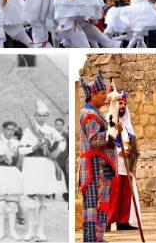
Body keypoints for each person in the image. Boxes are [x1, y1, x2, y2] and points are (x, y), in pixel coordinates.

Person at [19, 99, 66, 241]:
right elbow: (21, 150)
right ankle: (30, 231)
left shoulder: (51, 130)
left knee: (43, 200)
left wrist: (56, 151)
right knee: (31, 200)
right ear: (35, 116)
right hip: (31, 165)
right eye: (39, 115)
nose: (41, 118)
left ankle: (40, 231)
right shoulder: (28, 131)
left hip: (45, 165)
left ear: (47, 116)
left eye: (44, 115)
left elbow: (62, 142)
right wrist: (33, 147)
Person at [78, 72, 117, 242]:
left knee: (101, 206)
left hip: (100, 168)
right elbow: (95, 140)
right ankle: (92, 240)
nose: (105, 98)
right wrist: (112, 133)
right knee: (93, 207)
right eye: (102, 94)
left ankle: (98, 238)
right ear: (93, 94)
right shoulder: (89, 115)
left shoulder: (96, 113)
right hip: (94, 168)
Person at [107, 90, 140, 231]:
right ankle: (108, 221)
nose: (123, 106)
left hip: (126, 166)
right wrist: (120, 152)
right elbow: (109, 140)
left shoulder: (126, 126)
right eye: (120, 103)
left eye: (124, 104)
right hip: (115, 164)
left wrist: (131, 153)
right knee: (114, 194)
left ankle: (123, 221)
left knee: (126, 194)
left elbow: (130, 142)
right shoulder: (109, 121)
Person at [0, 120, 23, 240]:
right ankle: (1, 231)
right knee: (0, 203)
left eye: (13, 130)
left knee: (12, 202)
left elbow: (21, 158)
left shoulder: (17, 143)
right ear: (3, 129)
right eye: (8, 129)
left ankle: (12, 231)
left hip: (12, 172)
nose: (10, 132)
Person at [54, 117, 69, 202]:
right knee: (52, 174)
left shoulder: (66, 135)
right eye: (57, 125)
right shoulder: (52, 134)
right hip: (54, 158)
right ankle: (51, 193)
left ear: (63, 126)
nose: (58, 126)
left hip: (64, 158)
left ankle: (66, 194)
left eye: (60, 125)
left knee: (65, 176)